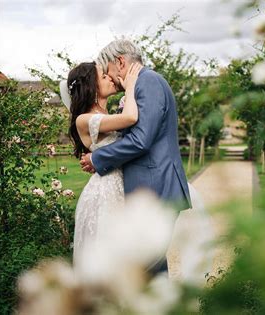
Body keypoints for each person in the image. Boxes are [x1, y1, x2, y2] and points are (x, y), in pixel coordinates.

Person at [78, 39, 192, 274]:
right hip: (149, 187)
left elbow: (141, 139)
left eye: (108, 71)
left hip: (157, 187)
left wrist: (97, 159)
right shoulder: (142, 84)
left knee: (144, 266)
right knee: (153, 266)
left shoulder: (147, 82)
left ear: (120, 62)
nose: (110, 78)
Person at [64, 61, 143, 265]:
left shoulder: (108, 115)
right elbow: (131, 117)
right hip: (105, 195)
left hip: (124, 186)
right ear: (91, 84)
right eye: (103, 75)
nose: (110, 77)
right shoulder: (84, 119)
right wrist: (131, 85)